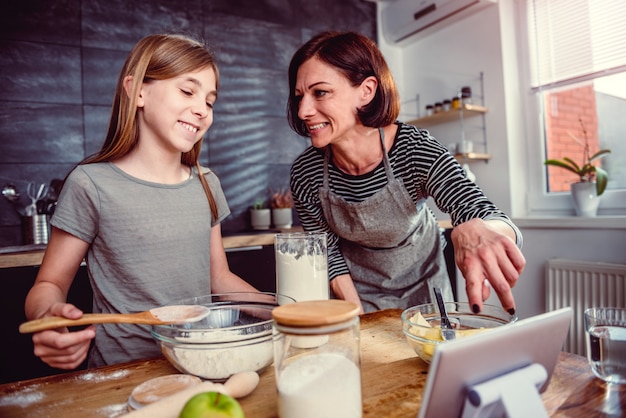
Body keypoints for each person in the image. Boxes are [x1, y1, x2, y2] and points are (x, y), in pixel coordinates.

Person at [24, 33, 259, 370]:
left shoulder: (206, 183)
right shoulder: (91, 184)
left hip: (198, 366)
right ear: (139, 91)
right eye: (187, 91)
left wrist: (278, 309)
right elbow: (50, 284)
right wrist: (49, 317)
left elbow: (219, 278)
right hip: (119, 374)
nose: (201, 110)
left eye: (209, 101)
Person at [287, 31, 525, 314]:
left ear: (366, 90)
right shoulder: (306, 173)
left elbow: (483, 212)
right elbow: (327, 253)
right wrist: (359, 317)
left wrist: (477, 228)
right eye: (299, 96)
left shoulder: (414, 150)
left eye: (320, 92)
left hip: (427, 293)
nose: (303, 111)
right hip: (356, 296)